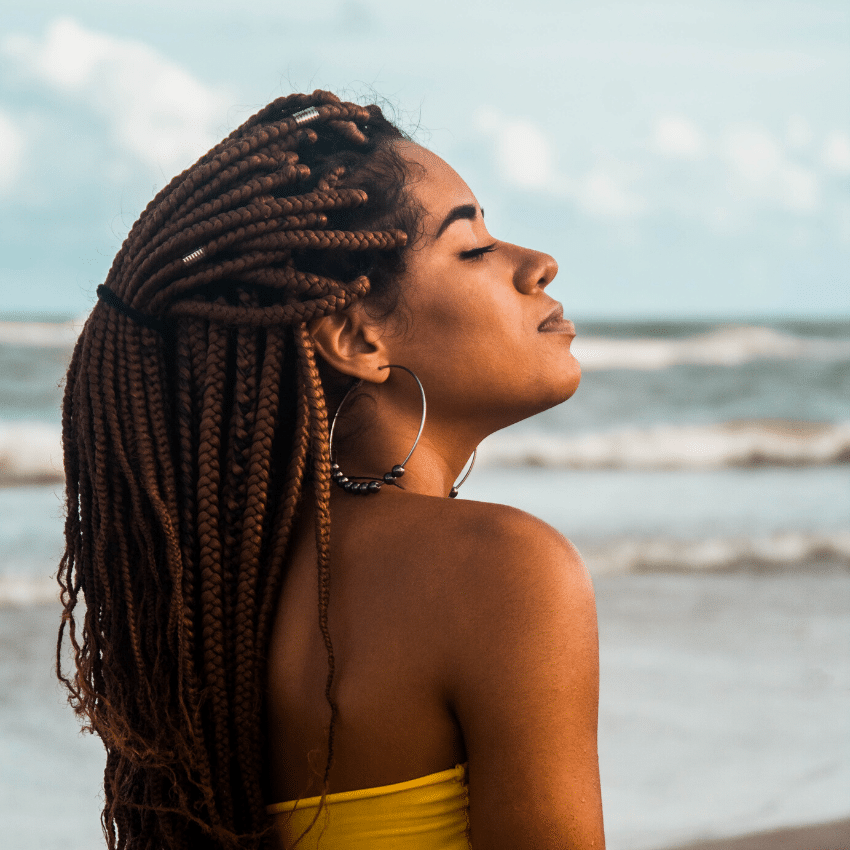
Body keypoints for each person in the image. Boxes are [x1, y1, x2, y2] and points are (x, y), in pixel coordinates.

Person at [57, 90, 604, 850]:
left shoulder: (217, 603)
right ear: (357, 338)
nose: (538, 264)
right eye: (473, 247)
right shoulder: (500, 570)